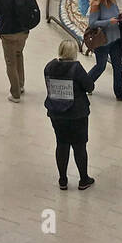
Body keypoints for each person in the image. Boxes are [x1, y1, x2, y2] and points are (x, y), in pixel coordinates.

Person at [44, 38, 96, 190]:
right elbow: (89, 86)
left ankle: (62, 180)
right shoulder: (76, 68)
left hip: (56, 113)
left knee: (61, 144)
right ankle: (83, 179)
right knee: (79, 146)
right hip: (77, 114)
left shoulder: (49, 66)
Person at [87, 0, 122, 101]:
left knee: (118, 66)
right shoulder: (96, 5)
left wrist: (119, 18)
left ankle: (120, 92)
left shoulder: (113, 2)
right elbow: (92, 23)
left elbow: (114, 15)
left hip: (116, 39)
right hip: (102, 41)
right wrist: (108, 21)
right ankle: (86, 84)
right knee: (100, 66)